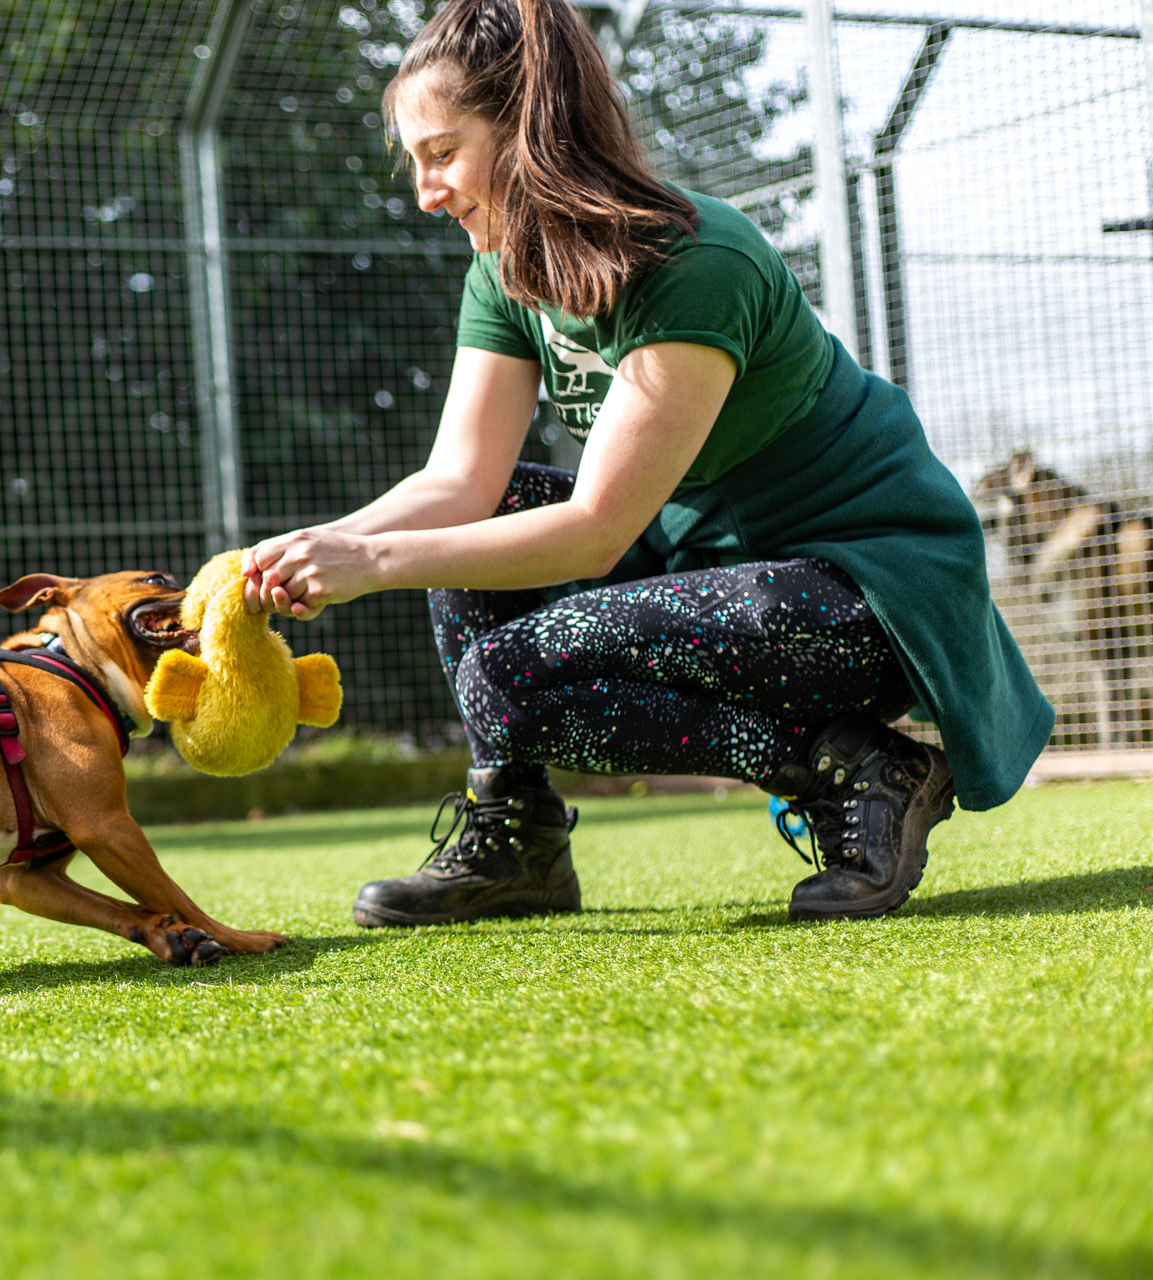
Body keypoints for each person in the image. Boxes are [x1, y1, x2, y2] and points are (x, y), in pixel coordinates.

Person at [241, 0, 1051, 926]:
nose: (425, 190)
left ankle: (870, 767)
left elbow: (596, 532)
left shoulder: (695, 259)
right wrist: (305, 548)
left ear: (529, 130)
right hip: (706, 572)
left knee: (506, 675)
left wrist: (371, 565)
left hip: (865, 595)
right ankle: (517, 839)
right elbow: (457, 484)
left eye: (442, 153)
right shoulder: (505, 270)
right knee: (490, 533)